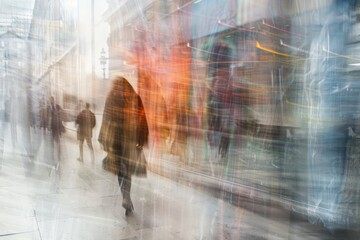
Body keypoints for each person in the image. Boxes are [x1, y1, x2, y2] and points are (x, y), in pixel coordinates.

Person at [98, 76, 149, 216]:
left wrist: (104, 139)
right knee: (126, 170)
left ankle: (125, 196)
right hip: (130, 140)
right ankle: (126, 196)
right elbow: (142, 119)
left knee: (121, 169)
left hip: (116, 141)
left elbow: (105, 119)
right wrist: (142, 139)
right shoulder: (135, 97)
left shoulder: (111, 98)